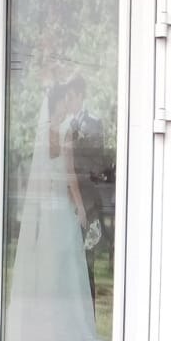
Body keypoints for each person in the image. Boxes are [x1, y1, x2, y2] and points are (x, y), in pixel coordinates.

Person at [4, 82, 110, 341]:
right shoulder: (65, 131)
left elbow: (39, 178)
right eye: (64, 101)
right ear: (59, 103)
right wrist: (80, 206)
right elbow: (70, 175)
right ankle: (65, 331)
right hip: (61, 208)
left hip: (46, 209)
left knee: (48, 268)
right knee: (66, 269)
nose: (67, 106)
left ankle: (40, 332)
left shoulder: (42, 133)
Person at [64, 74, 107, 309]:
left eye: (71, 96)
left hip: (87, 201)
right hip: (66, 202)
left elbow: (98, 163)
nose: (68, 101)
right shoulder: (64, 124)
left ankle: (88, 314)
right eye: (66, 97)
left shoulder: (94, 123)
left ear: (80, 95)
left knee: (86, 260)